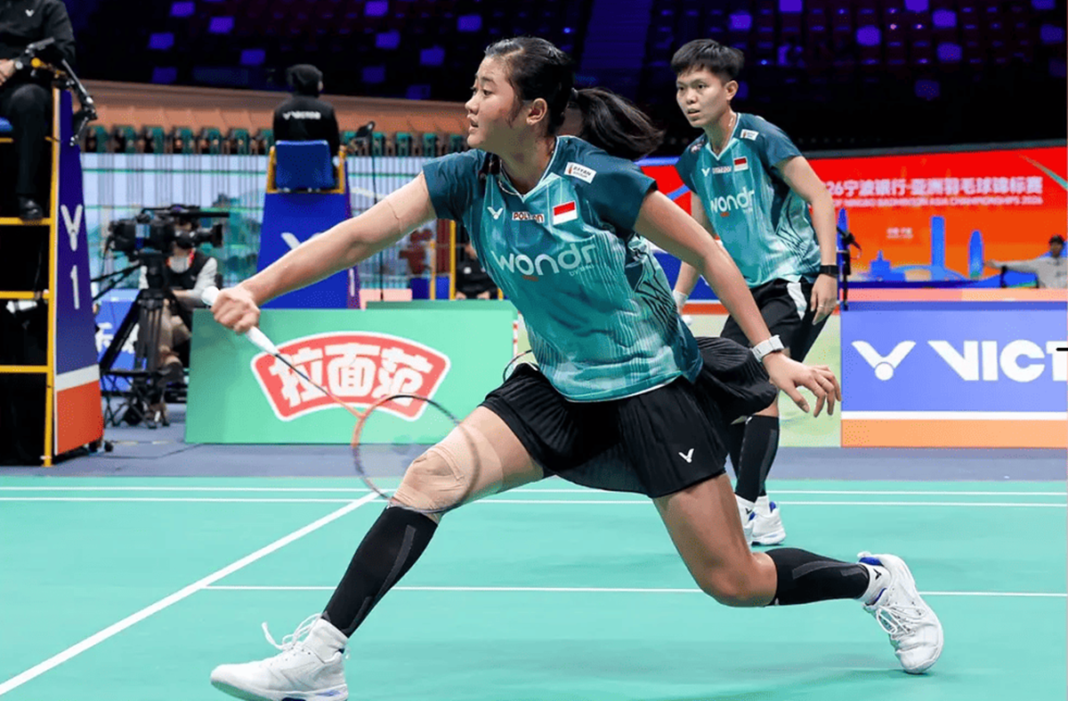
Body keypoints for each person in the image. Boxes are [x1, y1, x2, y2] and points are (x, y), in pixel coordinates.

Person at [206, 36, 942, 701]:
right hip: (556, 385)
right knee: (429, 479)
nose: (469, 104)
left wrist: (770, 353)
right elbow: (358, 236)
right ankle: (322, 656)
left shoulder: (599, 180)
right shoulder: (466, 177)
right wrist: (255, 288)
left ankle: (876, 583)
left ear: (532, 112)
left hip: (653, 389)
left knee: (734, 580)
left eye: (485, 90)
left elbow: (708, 252)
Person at [670, 39, 840, 547]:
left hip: (796, 279)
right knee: (726, 389)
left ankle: (743, 504)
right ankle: (761, 509)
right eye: (682, 89)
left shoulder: (760, 136)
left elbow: (820, 196)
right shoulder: (693, 159)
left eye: (700, 87)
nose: (689, 98)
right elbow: (699, 242)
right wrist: (676, 300)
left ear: (729, 90)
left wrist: (829, 271)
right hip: (747, 293)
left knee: (761, 381)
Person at [0, 0, 75, 220]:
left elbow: (65, 53)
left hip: (25, 86)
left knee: (29, 101)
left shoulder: (49, 6)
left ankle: (26, 197)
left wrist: (16, 64)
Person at [137, 217, 218, 421]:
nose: (178, 233)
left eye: (184, 227)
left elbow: (201, 295)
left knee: (160, 312)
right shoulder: (152, 260)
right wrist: (165, 299)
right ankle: (168, 359)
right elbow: (144, 293)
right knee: (157, 311)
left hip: (189, 324)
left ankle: (158, 393)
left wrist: (168, 296)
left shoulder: (205, 262)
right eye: (174, 228)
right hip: (159, 321)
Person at [272, 64, 341, 162]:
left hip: (289, 169)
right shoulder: (326, 110)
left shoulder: (281, 110)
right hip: (320, 169)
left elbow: (278, 142)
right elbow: (334, 146)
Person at [986, 235, 1067, 289]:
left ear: (1062, 246)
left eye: (1058, 244)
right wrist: (998, 264)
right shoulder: (1040, 263)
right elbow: (1020, 265)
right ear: (1050, 247)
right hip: (1046, 299)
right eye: (1053, 244)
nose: (1055, 247)